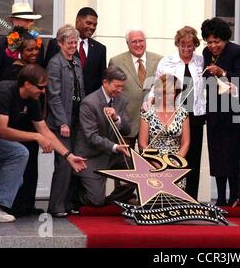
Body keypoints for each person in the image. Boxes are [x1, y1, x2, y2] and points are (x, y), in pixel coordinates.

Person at [0, 64, 86, 223]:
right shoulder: (4, 92)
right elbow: (1, 130)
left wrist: (68, 156)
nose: (43, 91)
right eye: (41, 87)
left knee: (18, 168)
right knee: (19, 153)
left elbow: (45, 131)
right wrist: (36, 137)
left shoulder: (32, 99)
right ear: (27, 84)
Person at [146, 26, 205, 199]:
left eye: (190, 46)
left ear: (195, 45)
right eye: (183, 46)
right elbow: (157, 84)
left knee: (194, 157)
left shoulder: (201, 61)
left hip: (196, 115)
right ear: (177, 45)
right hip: (174, 114)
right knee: (176, 155)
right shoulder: (167, 61)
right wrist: (149, 102)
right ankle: (172, 195)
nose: (186, 49)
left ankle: (191, 198)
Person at [0, 27, 45, 218]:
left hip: (32, 124)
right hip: (16, 127)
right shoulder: (14, 74)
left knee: (32, 167)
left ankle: (27, 204)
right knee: (17, 162)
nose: (34, 53)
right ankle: (9, 205)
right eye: (29, 50)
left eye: (36, 49)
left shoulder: (36, 72)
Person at [73, 66, 135, 207]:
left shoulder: (121, 100)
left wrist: (116, 118)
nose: (119, 90)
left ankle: (112, 201)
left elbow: (127, 129)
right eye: (117, 86)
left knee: (140, 171)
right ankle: (75, 193)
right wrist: (114, 147)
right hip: (92, 155)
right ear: (105, 83)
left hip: (113, 155)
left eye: (122, 87)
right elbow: (92, 137)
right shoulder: (89, 103)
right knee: (95, 200)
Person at [202, 17, 240, 206]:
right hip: (213, 108)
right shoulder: (205, 52)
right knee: (217, 154)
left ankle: (235, 195)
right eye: (210, 42)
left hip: (234, 110)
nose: (213, 46)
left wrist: (223, 73)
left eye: (217, 42)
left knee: (233, 153)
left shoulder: (237, 51)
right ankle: (220, 197)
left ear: (225, 39)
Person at [46, 24, 85, 217]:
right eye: (69, 42)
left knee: (75, 163)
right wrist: (62, 122)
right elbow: (53, 95)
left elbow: (81, 92)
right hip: (62, 121)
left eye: (75, 42)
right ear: (60, 43)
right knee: (63, 165)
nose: (73, 46)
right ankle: (55, 207)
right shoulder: (54, 63)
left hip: (77, 118)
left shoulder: (76, 62)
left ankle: (68, 203)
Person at [109, 29, 162, 149]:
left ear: (145, 41)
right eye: (134, 42)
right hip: (126, 121)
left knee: (150, 164)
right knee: (126, 163)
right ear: (127, 44)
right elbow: (112, 92)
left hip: (152, 122)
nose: (138, 44)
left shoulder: (159, 60)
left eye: (141, 41)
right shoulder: (116, 61)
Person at [45, 7, 107, 95]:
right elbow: (48, 76)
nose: (92, 27)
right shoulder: (56, 44)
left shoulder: (100, 49)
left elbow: (101, 80)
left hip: (89, 104)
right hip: (62, 101)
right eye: (88, 23)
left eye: (95, 25)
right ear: (78, 21)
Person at [139, 74, 190, 163]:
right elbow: (142, 144)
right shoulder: (148, 113)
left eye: (173, 92)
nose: (170, 96)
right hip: (153, 163)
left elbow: (186, 143)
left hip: (177, 163)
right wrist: (158, 164)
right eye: (166, 93)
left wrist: (175, 162)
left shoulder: (183, 113)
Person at [0, 2, 44, 80]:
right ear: (14, 21)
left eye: (32, 20)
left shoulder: (37, 43)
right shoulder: (0, 45)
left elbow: (40, 69)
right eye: (27, 20)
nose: (31, 23)